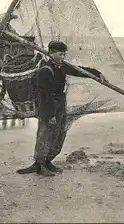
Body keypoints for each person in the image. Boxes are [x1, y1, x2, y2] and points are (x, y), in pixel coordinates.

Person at [16, 41, 108, 177]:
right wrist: (50, 115)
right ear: (51, 53)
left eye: (64, 54)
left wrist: (96, 73)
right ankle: (39, 164)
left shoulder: (62, 67)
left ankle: (48, 161)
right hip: (48, 106)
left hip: (60, 103)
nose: (63, 57)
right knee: (45, 135)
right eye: (60, 54)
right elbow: (44, 96)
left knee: (58, 133)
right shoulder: (45, 71)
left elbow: (78, 70)